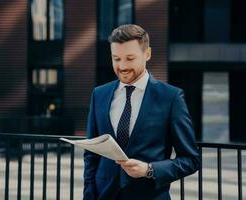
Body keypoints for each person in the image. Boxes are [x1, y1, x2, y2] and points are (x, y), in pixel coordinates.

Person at [83, 24, 200, 200]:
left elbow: (191, 160)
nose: (122, 66)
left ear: (147, 54)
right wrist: (88, 194)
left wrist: (149, 169)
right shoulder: (99, 94)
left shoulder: (171, 97)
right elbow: (91, 155)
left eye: (130, 58)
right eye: (116, 58)